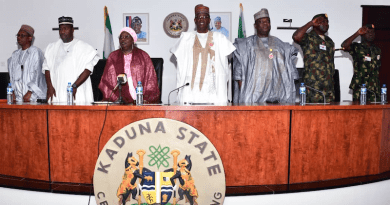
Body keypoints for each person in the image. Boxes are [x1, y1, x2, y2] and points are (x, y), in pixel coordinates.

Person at [170, 4, 236, 104]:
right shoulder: (186, 39)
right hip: (190, 94)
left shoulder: (220, 38)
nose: (202, 19)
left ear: (209, 20)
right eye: (199, 17)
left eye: (205, 17)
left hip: (214, 94)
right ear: (195, 20)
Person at [233, 9, 299, 104]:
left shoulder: (280, 45)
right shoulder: (246, 45)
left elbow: (290, 72)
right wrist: (245, 94)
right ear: (255, 26)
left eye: (267, 21)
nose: (265, 24)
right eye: (261, 22)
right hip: (253, 97)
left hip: (277, 98)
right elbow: (238, 74)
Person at [43, 16, 99, 103]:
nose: (62, 32)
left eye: (65, 28)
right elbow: (47, 69)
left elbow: (88, 70)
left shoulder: (84, 47)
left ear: (72, 30)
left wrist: (75, 86)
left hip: (77, 92)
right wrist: (49, 87)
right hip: (56, 93)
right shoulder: (52, 48)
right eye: (60, 29)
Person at [99, 27, 160, 103]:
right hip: (119, 95)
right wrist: (115, 98)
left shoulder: (143, 55)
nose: (123, 39)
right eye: (121, 37)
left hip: (140, 93)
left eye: (126, 37)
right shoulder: (113, 56)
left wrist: (146, 98)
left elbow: (150, 78)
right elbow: (108, 79)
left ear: (133, 40)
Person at [293, 14, 335, 103]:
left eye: (327, 22)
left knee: (330, 116)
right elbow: (296, 37)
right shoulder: (308, 38)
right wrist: (310, 23)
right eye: (322, 21)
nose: (326, 24)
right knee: (312, 115)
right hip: (312, 87)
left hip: (328, 88)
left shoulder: (329, 41)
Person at [341, 24, 381, 102]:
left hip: (374, 88)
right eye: (368, 32)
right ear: (363, 34)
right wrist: (357, 33)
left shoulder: (377, 50)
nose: (371, 34)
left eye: (372, 32)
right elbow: (344, 46)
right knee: (359, 113)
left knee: (376, 112)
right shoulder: (357, 47)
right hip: (360, 88)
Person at [8, 24, 47, 102]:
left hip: (33, 97)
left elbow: (38, 74)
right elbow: (12, 76)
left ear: (30, 38)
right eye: (18, 35)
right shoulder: (15, 54)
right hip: (18, 97)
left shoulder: (36, 52)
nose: (19, 38)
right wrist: (12, 91)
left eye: (22, 36)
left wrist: (30, 92)